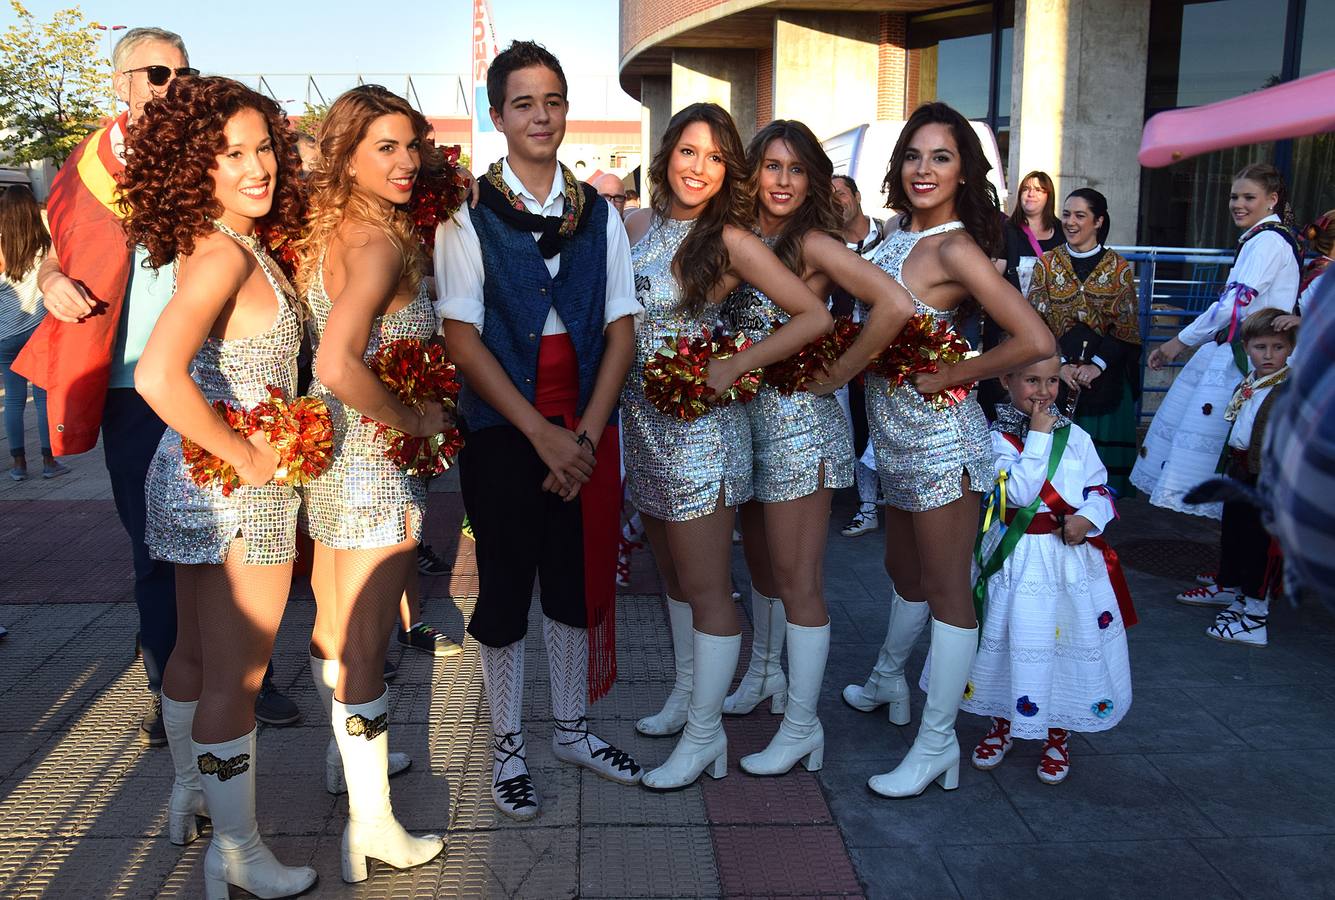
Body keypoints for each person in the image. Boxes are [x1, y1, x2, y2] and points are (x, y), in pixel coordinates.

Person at [11, 26, 297, 746]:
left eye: (184, 70)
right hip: (133, 380)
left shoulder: (207, 151)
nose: (173, 82)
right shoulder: (86, 163)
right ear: (120, 82)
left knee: (231, 548)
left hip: (224, 370)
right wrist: (48, 276)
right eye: (157, 71)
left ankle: (227, 682)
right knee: (159, 547)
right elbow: (49, 242)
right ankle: (178, 684)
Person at [437, 41, 645, 819]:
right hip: (503, 429)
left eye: (551, 101)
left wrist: (582, 439)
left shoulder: (599, 215)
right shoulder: (468, 216)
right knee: (502, 593)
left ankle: (570, 729)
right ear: (497, 116)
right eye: (522, 103)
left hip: (581, 427)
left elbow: (620, 332)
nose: (540, 116)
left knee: (571, 584)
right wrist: (542, 436)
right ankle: (507, 747)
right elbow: (462, 339)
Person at [126, 75, 316, 897]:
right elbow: (158, 375)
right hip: (234, 491)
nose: (257, 166)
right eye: (229, 154)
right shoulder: (224, 250)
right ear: (189, 168)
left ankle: (187, 795)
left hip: (191, 478)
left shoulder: (227, 241)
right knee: (234, 677)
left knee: (195, 658)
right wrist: (245, 453)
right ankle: (236, 853)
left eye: (262, 146)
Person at [622, 102, 832, 788]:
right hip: (645, 432)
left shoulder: (733, 241)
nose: (699, 168)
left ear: (728, 171)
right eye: (689, 152)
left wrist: (735, 364)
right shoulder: (636, 226)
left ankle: (705, 737)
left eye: (715, 158)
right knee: (675, 582)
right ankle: (688, 699)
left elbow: (813, 315)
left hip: (703, 436)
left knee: (710, 589)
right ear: (666, 155)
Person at [848, 101, 1053, 799]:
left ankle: (937, 745)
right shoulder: (897, 233)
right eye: (913, 154)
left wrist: (952, 372)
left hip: (943, 442)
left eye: (940, 156)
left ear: (963, 168)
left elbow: (1034, 341)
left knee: (946, 591)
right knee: (900, 570)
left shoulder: (956, 246)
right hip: (893, 441)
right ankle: (886, 682)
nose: (923, 169)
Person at [720, 120, 912, 776]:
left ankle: (803, 726)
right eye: (770, 166)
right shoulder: (744, 235)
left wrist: (840, 373)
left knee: (799, 582)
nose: (780, 180)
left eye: (794, 169)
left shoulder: (812, 242)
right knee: (765, 573)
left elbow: (891, 304)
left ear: (811, 181)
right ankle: (765, 675)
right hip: (743, 426)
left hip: (801, 427)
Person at [295, 85, 446, 880]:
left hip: (337, 462)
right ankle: (373, 826)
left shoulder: (340, 231)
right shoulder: (379, 243)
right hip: (372, 468)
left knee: (335, 633)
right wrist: (414, 420)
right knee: (363, 645)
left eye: (410, 145)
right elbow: (334, 362)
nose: (406, 161)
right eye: (384, 147)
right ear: (346, 155)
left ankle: (346, 770)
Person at [946, 353, 1132, 784]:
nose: (1044, 391)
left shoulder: (1077, 437)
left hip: (1066, 564)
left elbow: (1099, 486)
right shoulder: (992, 440)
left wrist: (1090, 518)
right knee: (1010, 639)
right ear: (1006, 380)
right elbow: (1020, 492)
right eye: (1031, 380)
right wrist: (1038, 437)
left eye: (1053, 380)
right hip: (1013, 559)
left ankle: (1058, 732)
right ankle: (1003, 723)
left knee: (1063, 641)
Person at [1131, 163, 1301, 524]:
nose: (1238, 204)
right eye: (1234, 196)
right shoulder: (1261, 240)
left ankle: (1239, 574)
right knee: (1232, 458)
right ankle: (1232, 571)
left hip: (1254, 358)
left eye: (1248, 197)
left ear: (1271, 200)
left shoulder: (1268, 241)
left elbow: (1233, 306)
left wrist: (1179, 341)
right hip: (1244, 352)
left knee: (1238, 458)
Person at [1027, 188, 1141, 495]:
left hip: (1105, 379)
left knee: (1098, 482)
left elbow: (1126, 327)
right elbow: (1034, 322)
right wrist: (1060, 366)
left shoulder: (1118, 268)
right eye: (1066, 214)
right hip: (1055, 375)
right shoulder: (1047, 264)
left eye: (1080, 215)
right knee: (1055, 477)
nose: (1070, 222)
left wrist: (1097, 367)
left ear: (1098, 221)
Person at [1197, 308, 1296, 647]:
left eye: (1279, 347)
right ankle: (1241, 602)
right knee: (1238, 539)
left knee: (1261, 548)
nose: (1269, 355)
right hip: (1242, 471)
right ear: (1246, 347)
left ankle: (1255, 620)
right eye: (1261, 347)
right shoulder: (1252, 381)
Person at [830, 173, 891, 538]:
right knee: (854, 426)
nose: (837, 201)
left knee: (879, 424)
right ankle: (866, 506)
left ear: (856, 195)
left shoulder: (888, 235)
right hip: (845, 348)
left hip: (884, 345)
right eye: (829, 197)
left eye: (841, 193)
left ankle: (882, 497)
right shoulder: (827, 244)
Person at [978, 171, 1063, 420]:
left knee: (1043, 379)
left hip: (1047, 323)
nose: (1031, 194)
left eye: (1038, 189)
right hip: (1008, 322)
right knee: (999, 381)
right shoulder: (1007, 230)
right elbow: (994, 275)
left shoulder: (1060, 232)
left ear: (1049, 196)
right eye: (1026, 188)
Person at [0, 185, 69, 481]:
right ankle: (48, 461)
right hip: (38, 332)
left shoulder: (1, 248)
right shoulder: (45, 246)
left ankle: (18, 465)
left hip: (5, 334)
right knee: (42, 399)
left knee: (13, 400)